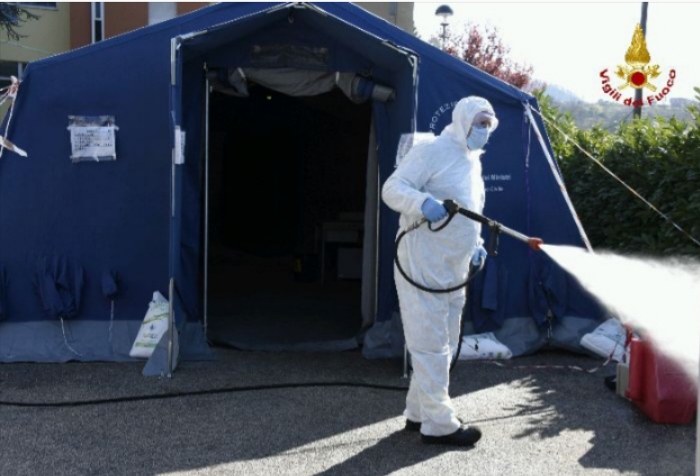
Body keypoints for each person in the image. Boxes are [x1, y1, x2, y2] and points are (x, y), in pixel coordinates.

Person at [381, 96, 498, 446]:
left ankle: (418, 412)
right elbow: (392, 189)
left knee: (442, 342)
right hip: (422, 262)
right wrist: (422, 203)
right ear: (462, 121)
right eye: (479, 123)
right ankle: (440, 425)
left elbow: (472, 209)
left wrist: (475, 244)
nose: (484, 130)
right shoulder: (432, 151)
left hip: (453, 267)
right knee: (430, 344)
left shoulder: (471, 161)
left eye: (488, 124)